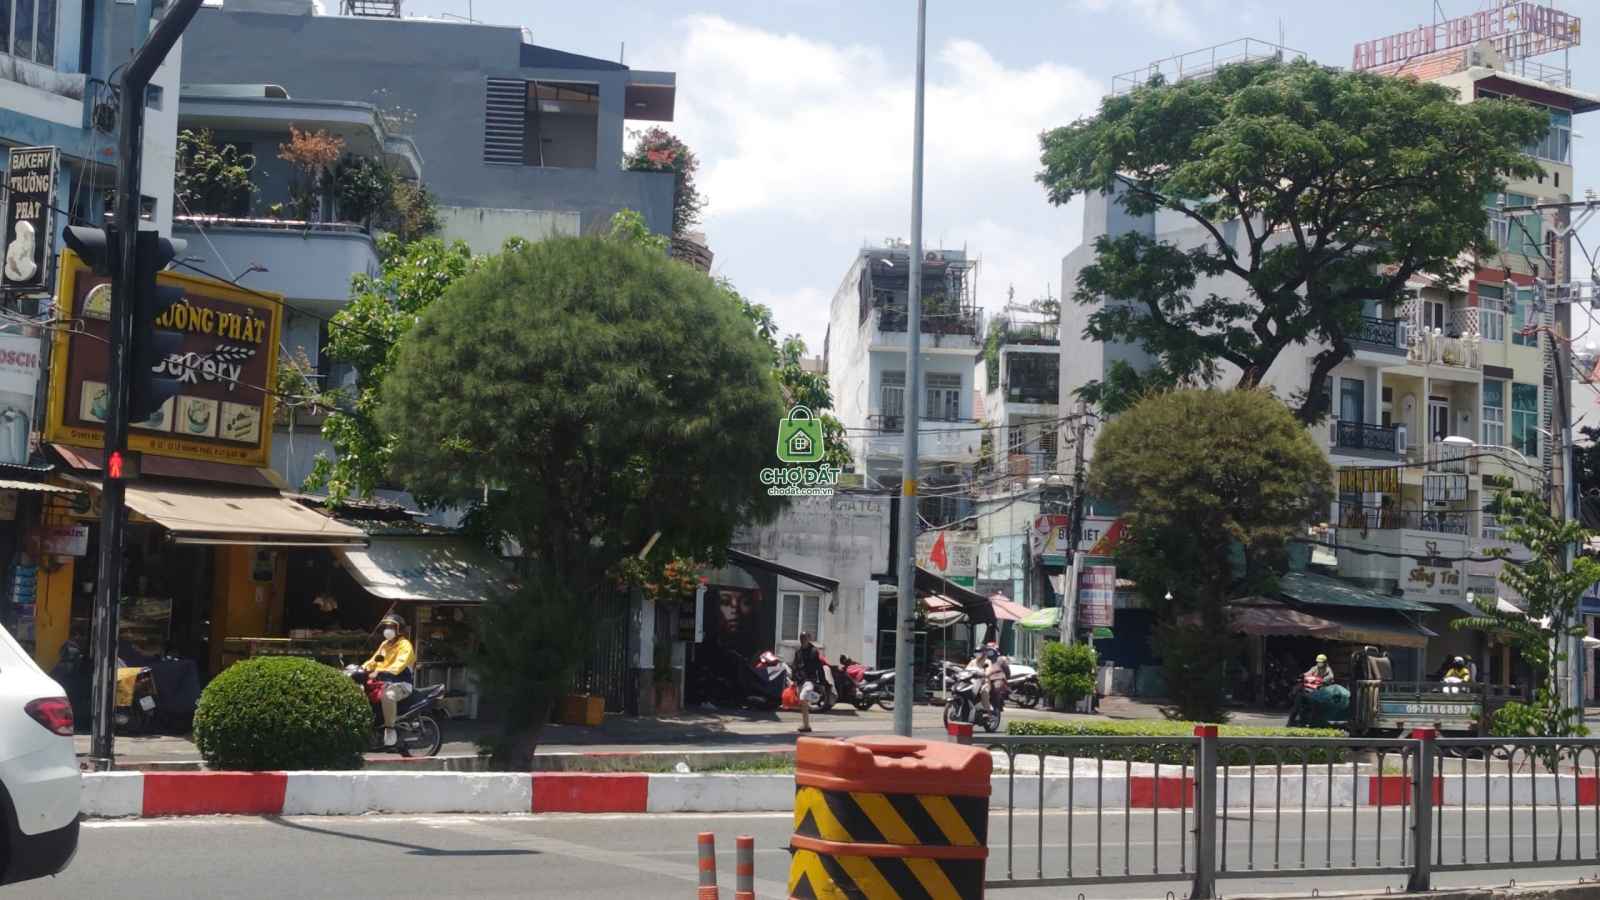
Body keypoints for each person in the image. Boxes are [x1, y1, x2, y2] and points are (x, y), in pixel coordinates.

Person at [361, 613, 415, 748]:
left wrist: (379, 672)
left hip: (400, 684)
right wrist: (361, 669)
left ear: (399, 629)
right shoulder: (384, 644)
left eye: (391, 627)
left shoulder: (405, 645)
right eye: (387, 626)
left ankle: (390, 730)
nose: (388, 629)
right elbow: (374, 660)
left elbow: (398, 665)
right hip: (382, 683)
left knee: (388, 696)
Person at [792, 632, 823, 734]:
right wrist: (794, 679)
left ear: (809, 639)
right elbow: (795, 666)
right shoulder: (798, 652)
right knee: (802, 703)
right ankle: (806, 725)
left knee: (802, 698)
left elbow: (819, 667)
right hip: (800, 680)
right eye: (801, 638)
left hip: (809, 680)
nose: (802, 640)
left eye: (804, 638)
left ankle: (812, 703)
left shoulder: (814, 651)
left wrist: (822, 681)